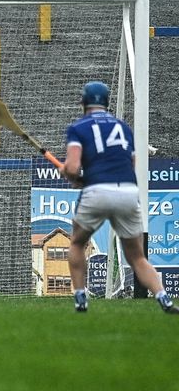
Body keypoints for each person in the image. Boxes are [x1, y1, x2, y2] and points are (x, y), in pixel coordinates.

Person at [61, 80, 177, 314]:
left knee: (77, 242)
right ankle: (163, 297)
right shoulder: (123, 127)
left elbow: (73, 168)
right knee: (137, 256)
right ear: (106, 102)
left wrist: (70, 174)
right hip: (127, 191)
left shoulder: (78, 128)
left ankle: (80, 297)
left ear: (84, 102)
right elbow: (131, 163)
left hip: (96, 192)